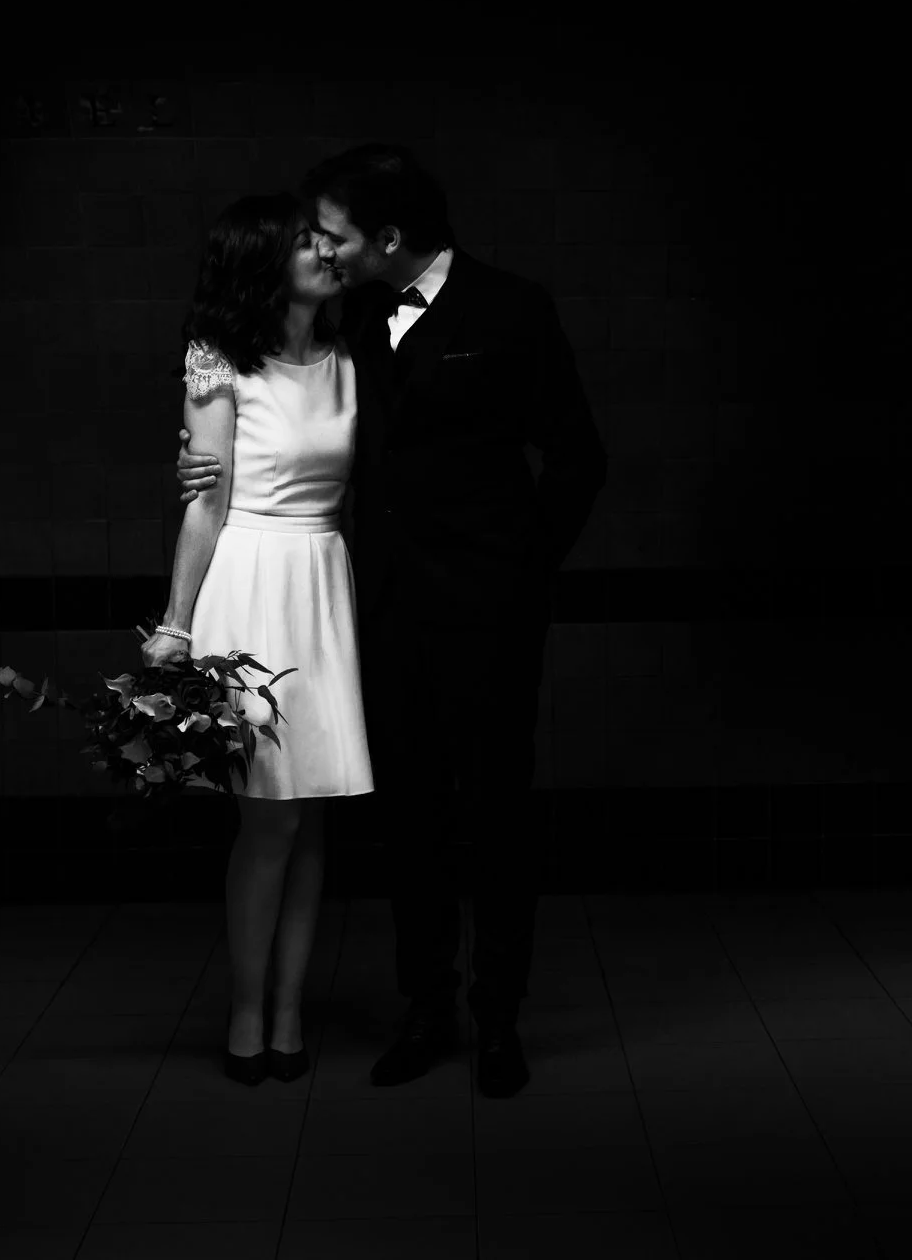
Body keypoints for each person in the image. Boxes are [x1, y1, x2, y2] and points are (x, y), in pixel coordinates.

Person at [176, 145, 607, 1098]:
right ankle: (427, 1007)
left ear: (388, 236)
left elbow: (579, 454)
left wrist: (525, 573)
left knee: (495, 811)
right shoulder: (356, 320)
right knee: (411, 816)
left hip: (489, 615)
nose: (323, 249)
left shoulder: (512, 308)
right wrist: (201, 455)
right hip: (377, 615)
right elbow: (270, 408)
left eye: (332, 233)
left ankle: (499, 1018)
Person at [140, 191, 371, 1088]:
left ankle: (288, 1011)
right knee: (270, 819)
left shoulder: (352, 355)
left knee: (311, 823)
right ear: (264, 263)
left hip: (322, 581)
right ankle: (246, 1010)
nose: (327, 251)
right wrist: (175, 625)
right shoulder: (219, 357)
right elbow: (205, 505)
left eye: (326, 239)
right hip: (252, 579)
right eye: (307, 241)